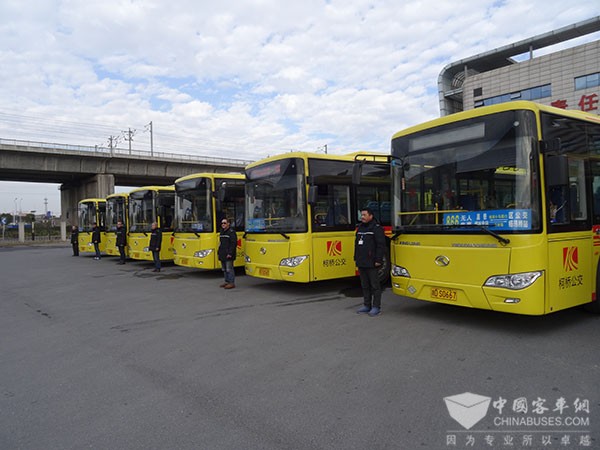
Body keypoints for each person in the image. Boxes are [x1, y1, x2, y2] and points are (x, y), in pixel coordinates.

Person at [354, 208, 386, 316]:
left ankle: (376, 307)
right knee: (365, 285)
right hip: (361, 262)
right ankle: (367, 305)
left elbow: (381, 245)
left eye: (364, 215)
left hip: (372, 262)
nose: (362, 217)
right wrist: (356, 258)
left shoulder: (376, 228)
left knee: (374, 285)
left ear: (371, 216)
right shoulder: (360, 228)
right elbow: (356, 244)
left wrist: (378, 260)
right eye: (361, 215)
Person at [218, 218, 237, 289]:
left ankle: (231, 283)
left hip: (228, 254)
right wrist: (219, 252)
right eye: (222, 223)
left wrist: (230, 253)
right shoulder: (222, 231)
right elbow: (221, 243)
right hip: (222, 253)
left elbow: (233, 244)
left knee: (229, 269)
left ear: (228, 224)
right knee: (224, 269)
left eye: (224, 223)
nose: (223, 224)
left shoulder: (231, 232)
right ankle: (227, 281)